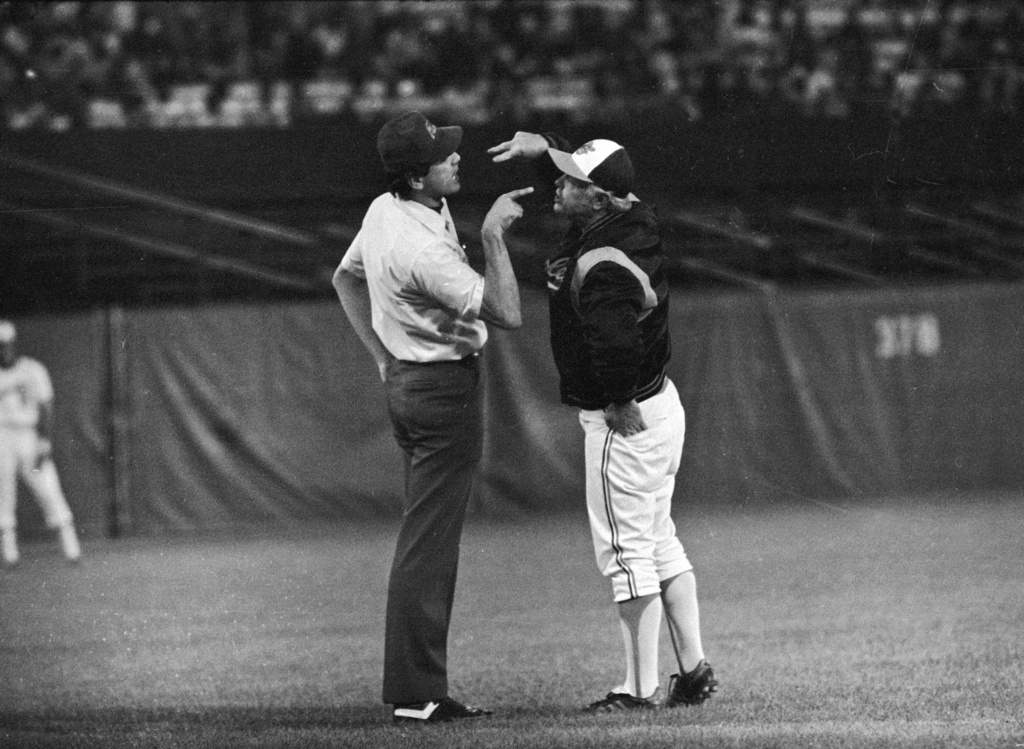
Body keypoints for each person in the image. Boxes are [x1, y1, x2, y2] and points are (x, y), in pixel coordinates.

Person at [488, 132, 718, 711]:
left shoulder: (603, 257)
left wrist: (616, 401)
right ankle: (692, 671)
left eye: (570, 180)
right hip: (662, 406)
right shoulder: (625, 217)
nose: (558, 185)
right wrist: (545, 153)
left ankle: (638, 690)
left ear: (598, 199)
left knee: (625, 553)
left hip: (627, 415)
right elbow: (585, 189)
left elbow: (614, 340)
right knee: (658, 543)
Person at [332, 111, 530, 723]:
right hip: (441, 390)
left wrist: (382, 357)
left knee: (429, 540)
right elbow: (507, 311)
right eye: (443, 155)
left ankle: (420, 687)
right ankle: (417, 693)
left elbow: (345, 278)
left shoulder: (384, 210)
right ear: (417, 176)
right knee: (429, 544)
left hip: (414, 381)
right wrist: (495, 237)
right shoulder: (419, 245)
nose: (456, 158)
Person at [0, 320, 82, 566]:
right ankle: (9, 550)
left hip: (28, 434)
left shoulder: (32, 370)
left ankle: (70, 544)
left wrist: (45, 440)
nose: (4, 351)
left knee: (47, 486)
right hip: (2, 435)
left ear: (15, 345)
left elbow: (46, 405)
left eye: (7, 345)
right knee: (3, 491)